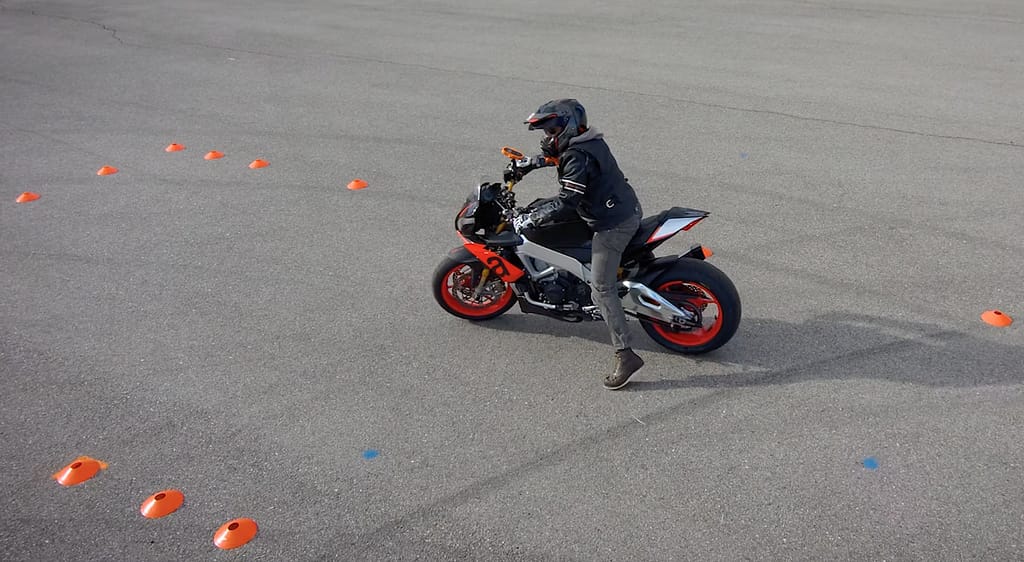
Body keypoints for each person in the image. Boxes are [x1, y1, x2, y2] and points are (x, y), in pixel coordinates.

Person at [509, 99, 645, 390]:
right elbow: (561, 160)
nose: (548, 137)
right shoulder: (588, 141)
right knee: (540, 207)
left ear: (568, 126)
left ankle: (626, 354)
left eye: (551, 130)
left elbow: (568, 199)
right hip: (615, 206)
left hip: (612, 224)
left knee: (602, 287)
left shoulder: (576, 155)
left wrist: (530, 219)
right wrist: (530, 163)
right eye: (545, 132)